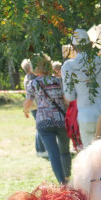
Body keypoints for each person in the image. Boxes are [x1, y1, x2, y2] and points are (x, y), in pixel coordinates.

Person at [61, 28, 101, 149]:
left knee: (91, 156)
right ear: (91, 44)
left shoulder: (69, 66)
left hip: (87, 116)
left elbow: (70, 96)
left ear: (73, 46)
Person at [23, 54, 71, 183]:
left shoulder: (33, 83)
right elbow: (67, 100)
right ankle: (67, 176)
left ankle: (62, 182)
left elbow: (28, 102)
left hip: (44, 122)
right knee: (65, 151)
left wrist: (25, 111)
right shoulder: (59, 81)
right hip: (61, 120)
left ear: (36, 68)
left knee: (53, 153)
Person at [21, 58, 46, 158]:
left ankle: (41, 149)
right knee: (40, 127)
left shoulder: (27, 78)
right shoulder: (33, 78)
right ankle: (40, 149)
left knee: (40, 126)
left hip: (33, 106)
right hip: (37, 105)